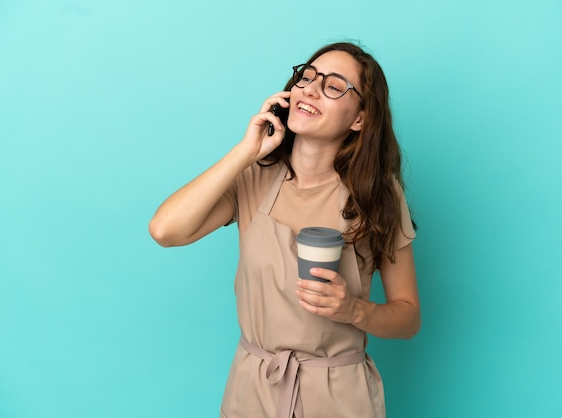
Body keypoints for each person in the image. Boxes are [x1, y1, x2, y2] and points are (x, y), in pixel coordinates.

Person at [149, 42, 421, 418]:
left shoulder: (378, 195)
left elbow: (408, 317)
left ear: (360, 118)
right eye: (306, 77)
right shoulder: (252, 178)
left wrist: (354, 310)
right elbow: (165, 230)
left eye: (333, 86)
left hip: (340, 397)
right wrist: (246, 151)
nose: (309, 88)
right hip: (252, 393)